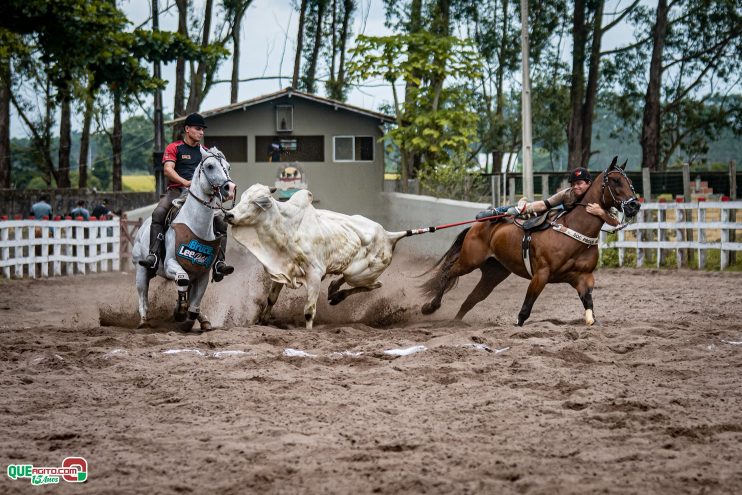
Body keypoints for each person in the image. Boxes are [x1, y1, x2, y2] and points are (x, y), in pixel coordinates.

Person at [138, 112, 234, 282]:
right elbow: (168, 169)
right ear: (187, 129)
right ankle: (153, 256)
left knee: (220, 221)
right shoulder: (174, 148)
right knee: (159, 213)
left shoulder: (205, 152)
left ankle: (219, 263)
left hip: (202, 195)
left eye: (203, 130)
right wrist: (185, 182)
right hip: (176, 191)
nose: (201, 133)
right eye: (198, 129)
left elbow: (216, 174)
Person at [476, 167, 620, 226]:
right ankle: (497, 212)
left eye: (580, 183)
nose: (576, 187)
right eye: (573, 184)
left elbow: (616, 223)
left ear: (589, 183)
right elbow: (545, 204)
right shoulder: (566, 194)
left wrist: (601, 212)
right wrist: (523, 209)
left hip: (583, 237)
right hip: (556, 216)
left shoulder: (598, 199)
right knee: (527, 210)